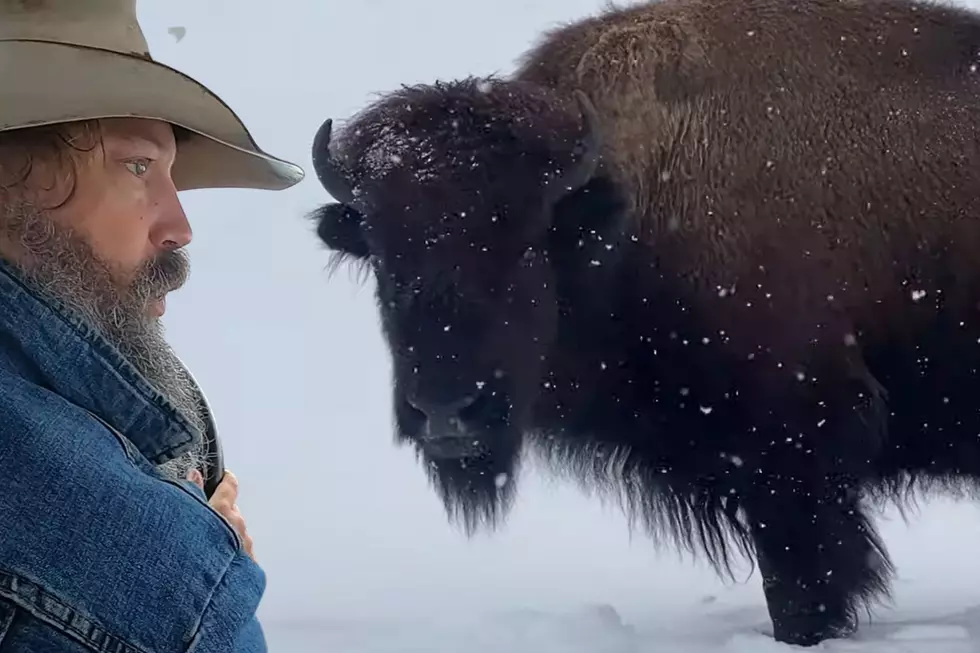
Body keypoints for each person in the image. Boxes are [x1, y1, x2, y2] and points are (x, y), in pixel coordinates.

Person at [0, 1, 304, 651]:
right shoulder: (141, 564)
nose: (179, 226)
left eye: (171, 173)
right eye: (137, 167)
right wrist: (199, 583)